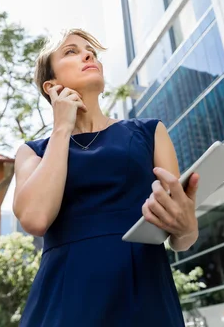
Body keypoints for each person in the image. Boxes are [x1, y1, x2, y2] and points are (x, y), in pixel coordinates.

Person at [13, 28, 200, 326]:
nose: (88, 55)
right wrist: (62, 128)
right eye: (71, 52)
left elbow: (180, 235)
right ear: (51, 86)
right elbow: (35, 219)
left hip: (144, 295)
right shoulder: (32, 152)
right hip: (63, 300)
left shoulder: (149, 132)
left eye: (91, 52)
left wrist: (189, 228)